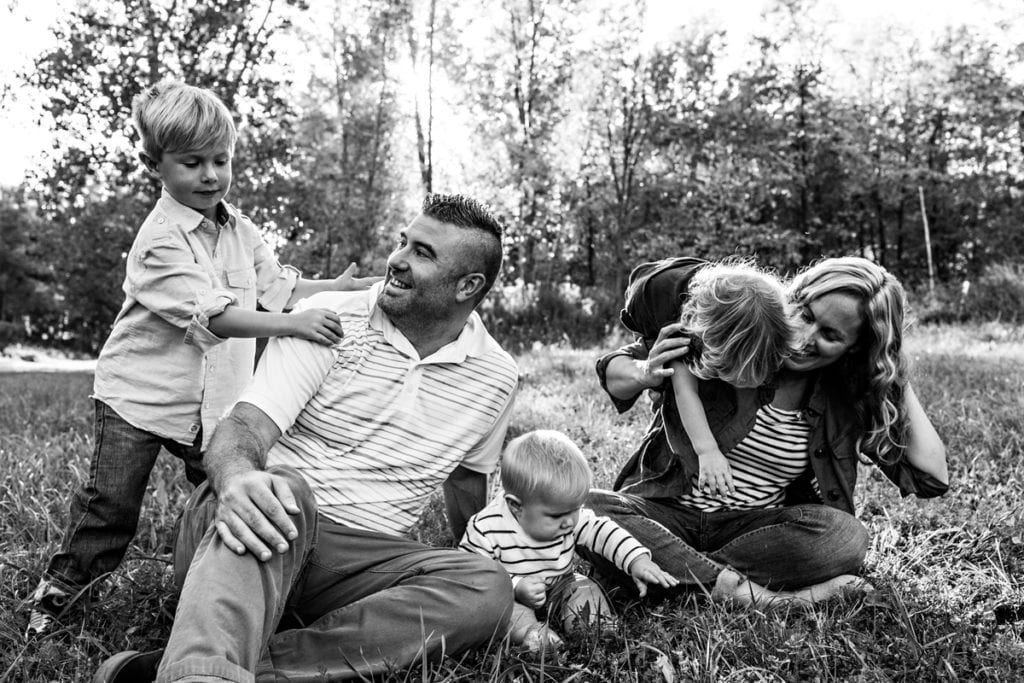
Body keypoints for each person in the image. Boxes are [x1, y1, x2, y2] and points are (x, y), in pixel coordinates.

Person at [92, 193, 520, 683]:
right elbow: (244, 429)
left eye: (422, 253)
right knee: (283, 488)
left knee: (487, 586)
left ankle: (226, 667)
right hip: (256, 526)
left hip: (362, 564)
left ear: (468, 286)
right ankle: (202, 673)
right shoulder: (329, 319)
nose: (397, 260)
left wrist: (499, 563)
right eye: (403, 242)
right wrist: (237, 481)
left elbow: (468, 485)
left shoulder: (496, 376)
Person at [27, 81, 378, 637]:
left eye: (221, 160)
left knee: (227, 488)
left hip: (214, 403)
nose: (210, 175)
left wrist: (331, 287)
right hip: (139, 400)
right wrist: (293, 325)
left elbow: (278, 286)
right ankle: (60, 601)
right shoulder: (159, 241)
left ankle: (226, 585)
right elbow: (215, 317)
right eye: (192, 163)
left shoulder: (239, 229)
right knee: (109, 507)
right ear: (154, 165)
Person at [587, 256, 949, 607]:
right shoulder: (739, 333)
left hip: (752, 532)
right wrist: (644, 371)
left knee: (846, 537)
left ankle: (664, 570)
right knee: (587, 506)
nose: (804, 336)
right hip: (665, 512)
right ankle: (757, 596)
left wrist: (890, 367)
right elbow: (613, 370)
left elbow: (931, 475)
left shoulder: (845, 397)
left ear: (856, 348)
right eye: (805, 314)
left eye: (830, 335)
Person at [459, 430, 677, 651]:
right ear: (516, 506)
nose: (569, 522)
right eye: (556, 516)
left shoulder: (567, 514)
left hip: (560, 583)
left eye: (575, 510)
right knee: (505, 613)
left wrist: (636, 559)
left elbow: (601, 530)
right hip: (508, 597)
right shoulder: (486, 528)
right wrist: (514, 585)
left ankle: (595, 629)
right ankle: (532, 634)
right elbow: (471, 575)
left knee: (584, 588)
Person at [618, 257, 792, 499]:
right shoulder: (685, 334)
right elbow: (685, 392)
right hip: (647, 294)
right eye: (727, 372)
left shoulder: (774, 322)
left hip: (703, 282)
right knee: (670, 373)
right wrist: (707, 450)